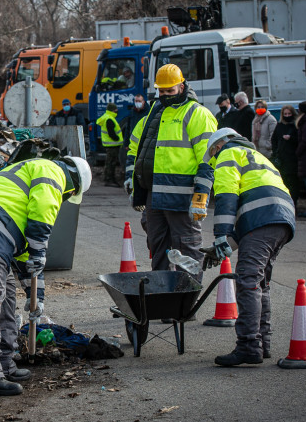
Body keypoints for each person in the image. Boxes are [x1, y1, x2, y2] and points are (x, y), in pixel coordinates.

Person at [0, 156, 92, 396]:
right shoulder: (53, 173)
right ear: (74, 184)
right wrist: (40, 251)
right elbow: (41, 216)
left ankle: (3, 362)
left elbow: (26, 258)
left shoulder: (34, 168)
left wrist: (37, 297)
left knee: (6, 298)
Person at [200, 128, 295, 366]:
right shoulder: (258, 157)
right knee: (259, 283)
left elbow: (226, 196)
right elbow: (250, 217)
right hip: (281, 220)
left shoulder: (227, 155)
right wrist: (223, 247)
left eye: (212, 155)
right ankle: (263, 344)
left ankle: (248, 346)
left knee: (248, 281)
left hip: (263, 219)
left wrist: (221, 234)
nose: (213, 161)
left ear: (217, 146)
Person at [125, 63, 217, 283]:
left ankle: (186, 299)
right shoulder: (153, 115)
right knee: (158, 246)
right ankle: (163, 294)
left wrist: (201, 196)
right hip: (154, 195)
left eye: (170, 91)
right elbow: (133, 149)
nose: (165, 95)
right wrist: (131, 181)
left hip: (182, 196)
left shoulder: (197, 114)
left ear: (182, 87)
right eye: (161, 91)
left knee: (187, 248)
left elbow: (209, 158)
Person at [271, 105, 300, 209]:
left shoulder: (295, 126)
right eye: (285, 114)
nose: (287, 116)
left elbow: (299, 140)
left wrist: (291, 139)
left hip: (292, 158)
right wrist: (276, 152)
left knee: (293, 182)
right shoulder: (279, 126)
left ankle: (293, 203)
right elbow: (274, 139)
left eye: (289, 114)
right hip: (282, 158)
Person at [96, 103, 122, 186]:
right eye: (115, 109)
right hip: (112, 145)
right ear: (112, 110)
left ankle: (108, 179)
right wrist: (117, 139)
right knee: (111, 163)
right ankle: (110, 180)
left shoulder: (107, 117)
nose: (117, 111)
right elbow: (111, 133)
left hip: (110, 145)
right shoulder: (109, 119)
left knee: (109, 163)